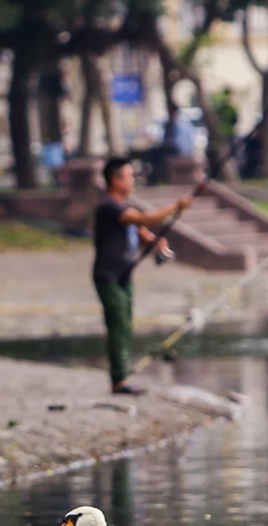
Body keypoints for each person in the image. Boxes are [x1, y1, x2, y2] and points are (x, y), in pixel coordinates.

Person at [93, 158, 192, 395]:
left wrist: (156, 243)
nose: (133, 180)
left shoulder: (124, 208)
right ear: (116, 181)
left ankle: (122, 375)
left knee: (125, 325)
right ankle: (119, 380)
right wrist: (175, 207)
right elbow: (143, 219)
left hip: (124, 276)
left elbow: (141, 231)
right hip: (108, 276)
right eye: (129, 176)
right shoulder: (109, 207)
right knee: (118, 325)